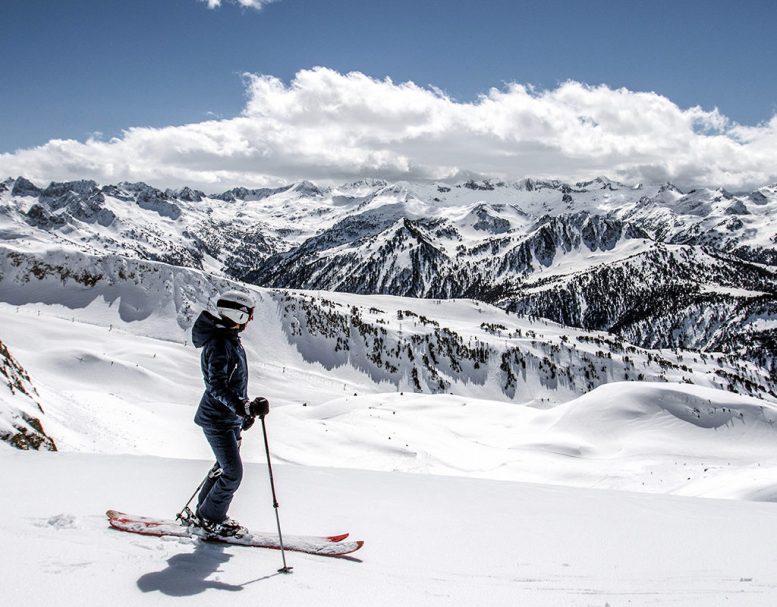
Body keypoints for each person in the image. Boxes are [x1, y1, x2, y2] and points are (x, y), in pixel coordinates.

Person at [188, 289, 270, 537]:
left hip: (227, 418)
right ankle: (211, 519)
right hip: (217, 419)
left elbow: (232, 384)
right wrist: (243, 407)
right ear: (239, 314)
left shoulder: (229, 338)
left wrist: (243, 413)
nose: (252, 319)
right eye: (249, 314)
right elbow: (217, 387)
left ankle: (205, 513)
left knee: (224, 467)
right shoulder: (221, 343)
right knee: (233, 473)